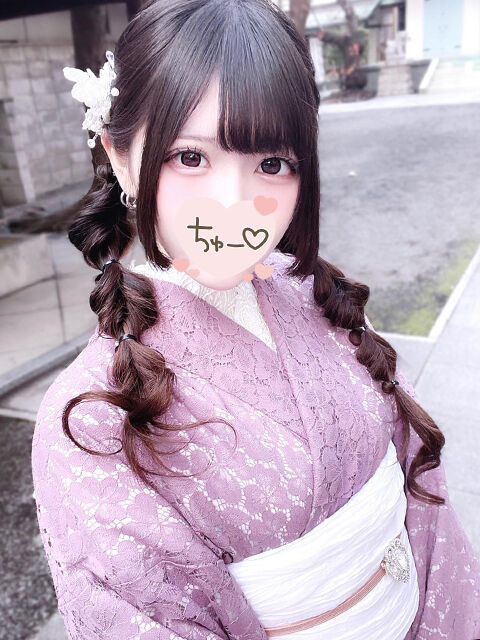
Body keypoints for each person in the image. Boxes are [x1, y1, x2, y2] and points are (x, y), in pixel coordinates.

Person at [31, 0, 480, 638]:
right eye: (190, 158)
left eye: (272, 164)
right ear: (121, 156)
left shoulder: (317, 300)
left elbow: (426, 516)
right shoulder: (88, 415)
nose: (234, 206)